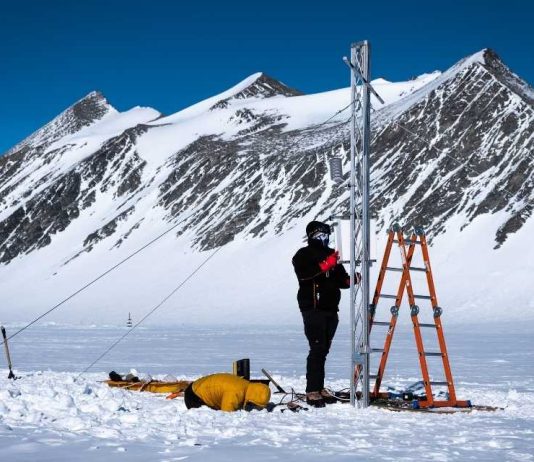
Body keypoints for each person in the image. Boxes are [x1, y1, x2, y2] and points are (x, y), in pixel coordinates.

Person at [292, 220, 360, 408]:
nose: (324, 237)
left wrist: (352, 279)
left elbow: (341, 281)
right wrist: (325, 265)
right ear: (312, 235)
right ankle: (312, 390)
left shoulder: (331, 255)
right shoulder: (303, 254)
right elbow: (304, 275)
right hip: (313, 307)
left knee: (323, 350)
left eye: (326, 233)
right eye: (320, 234)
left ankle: (319, 388)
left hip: (331, 308)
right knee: (317, 348)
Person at [183, 373, 272, 412]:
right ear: (252, 398)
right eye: (255, 405)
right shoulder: (236, 393)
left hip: (197, 387)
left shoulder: (245, 385)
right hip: (194, 396)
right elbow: (226, 415)